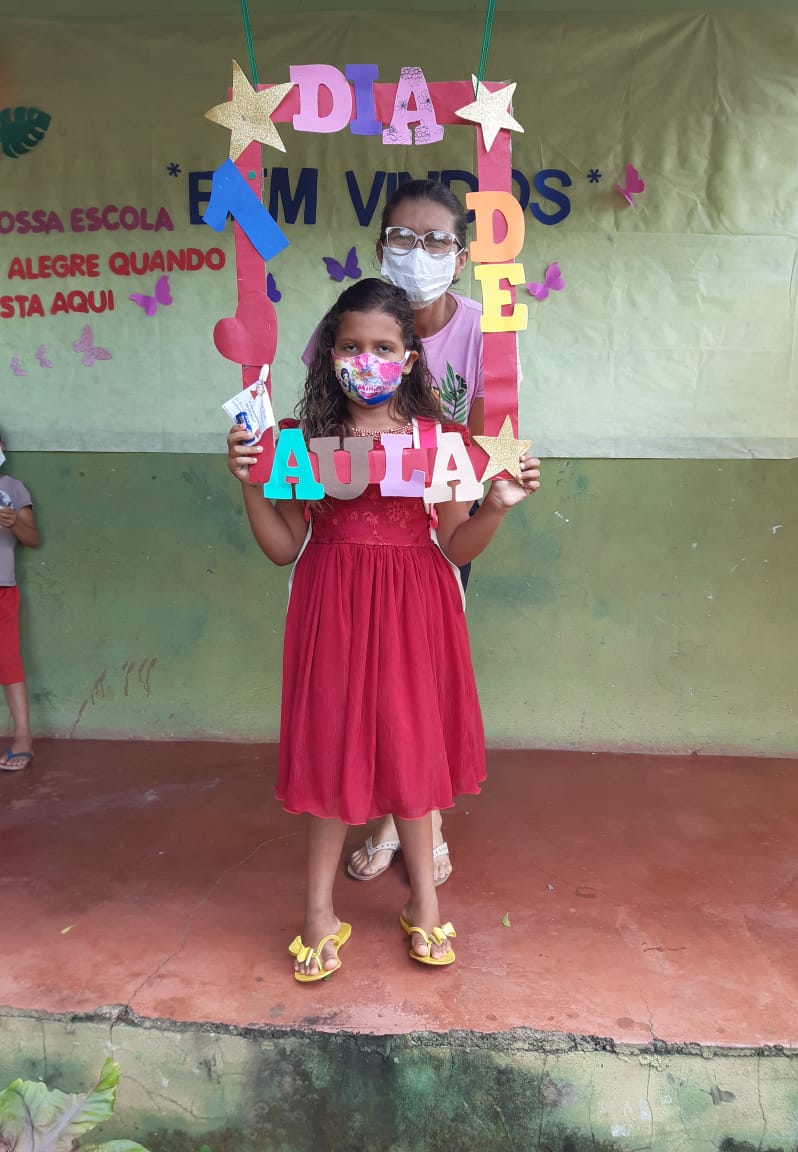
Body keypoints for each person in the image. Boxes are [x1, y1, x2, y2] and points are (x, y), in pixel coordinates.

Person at [228, 279, 539, 979]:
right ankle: (318, 911)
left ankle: (423, 904)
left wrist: (496, 507)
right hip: (332, 604)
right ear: (329, 354)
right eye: (350, 346)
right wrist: (249, 482)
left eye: (383, 347)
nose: (366, 360)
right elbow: (282, 547)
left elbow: (455, 544)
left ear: (410, 357)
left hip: (415, 605)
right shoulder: (303, 442)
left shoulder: (444, 442)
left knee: (410, 743)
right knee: (332, 746)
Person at [302, 179, 484, 888]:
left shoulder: (482, 332)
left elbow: (482, 448)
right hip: (345, 550)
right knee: (355, 695)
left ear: (460, 256)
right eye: (403, 238)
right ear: (381, 246)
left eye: (436, 240)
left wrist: (487, 496)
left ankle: (415, 824)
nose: (418, 252)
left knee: (414, 694)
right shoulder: (344, 327)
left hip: (430, 529)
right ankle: (385, 818)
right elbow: (322, 428)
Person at [0, 429, 40, 771]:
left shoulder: (13, 489)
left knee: (8, 662)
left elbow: (32, 538)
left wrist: (14, 523)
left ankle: (23, 737)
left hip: (3, 589)